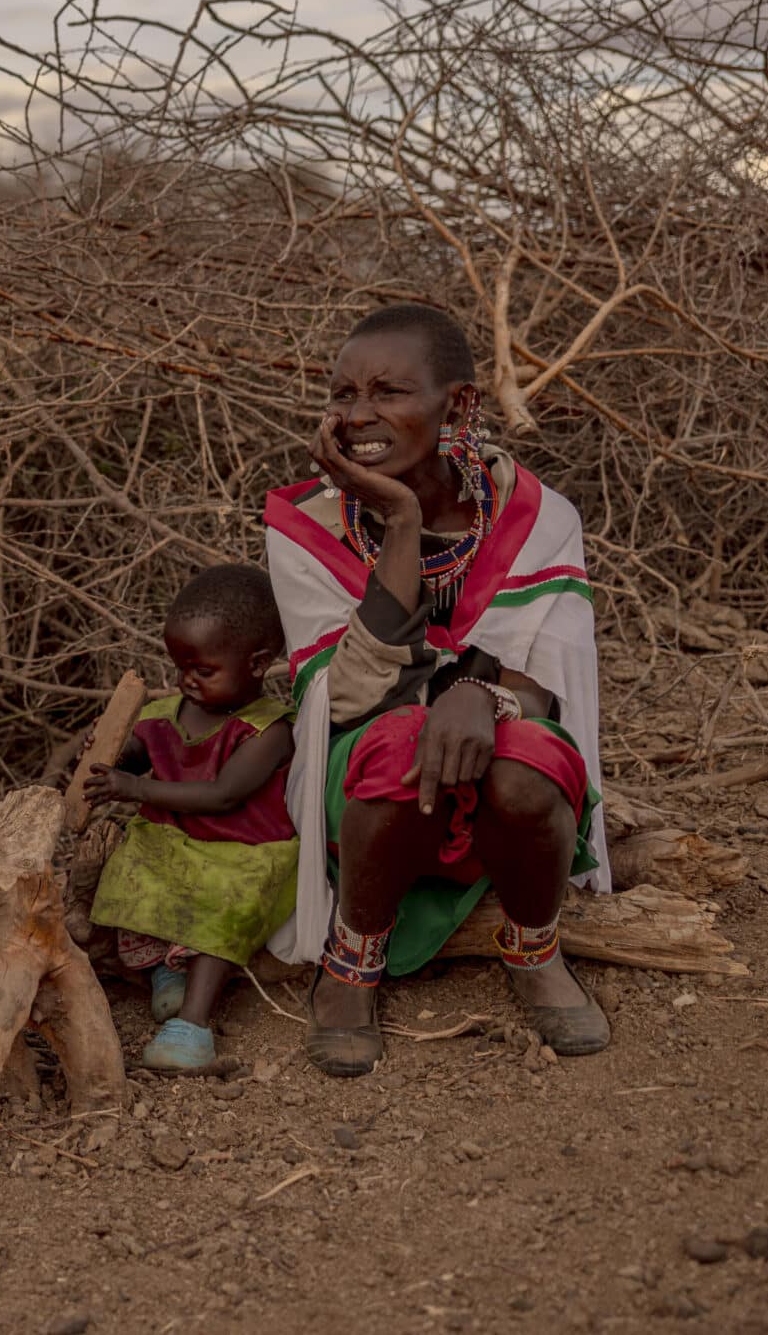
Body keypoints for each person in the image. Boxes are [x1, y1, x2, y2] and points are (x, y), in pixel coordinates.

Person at [267, 303, 610, 1077]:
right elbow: (347, 695)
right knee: (396, 741)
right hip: (370, 782)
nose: (358, 416)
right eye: (343, 394)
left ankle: (534, 946)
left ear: (458, 405)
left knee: (527, 764)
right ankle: (352, 958)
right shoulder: (305, 523)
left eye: (389, 392)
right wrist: (400, 520)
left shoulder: (540, 516)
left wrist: (480, 696)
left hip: (500, 760)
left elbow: (547, 682)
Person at [84, 563, 297, 1073]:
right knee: (134, 870)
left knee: (223, 904)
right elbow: (138, 754)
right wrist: (110, 749)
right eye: (179, 667)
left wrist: (133, 789)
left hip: (242, 850)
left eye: (203, 670)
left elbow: (223, 794)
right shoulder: (166, 713)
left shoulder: (266, 731)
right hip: (175, 838)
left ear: (258, 663)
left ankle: (193, 1027)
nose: (187, 681)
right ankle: (166, 971)